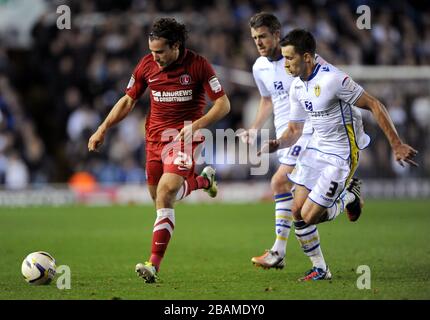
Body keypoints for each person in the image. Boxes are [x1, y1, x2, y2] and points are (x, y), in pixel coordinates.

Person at [260, 29, 418, 280]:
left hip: (341, 154)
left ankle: (349, 197)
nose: (286, 64)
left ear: (308, 57)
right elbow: (294, 130)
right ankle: (320, 269)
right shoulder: (297, 86)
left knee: (311, 216)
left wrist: (396, 144)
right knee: (297, 212)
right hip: (315, 148)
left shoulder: (333, 80)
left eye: (290, 58)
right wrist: (277, 143)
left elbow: (375, 104)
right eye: (284, 58)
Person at [88, 18, 230, 283]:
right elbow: (129, 100)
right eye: (152, 52)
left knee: (166, 192)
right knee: (160, 199)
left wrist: (197, 125)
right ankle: (202, 181)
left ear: (176, 46)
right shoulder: (146, 65)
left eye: (160, 52)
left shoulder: (198, 66)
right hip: (154, 140)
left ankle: (153, 264)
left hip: (185, 137)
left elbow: (223, 104)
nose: (155, 57)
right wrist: (102, 128)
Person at [240, 12, 331, 279]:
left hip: (308, 132)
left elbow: (323, 87)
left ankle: (279, 252)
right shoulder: (259, 67)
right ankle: (346, 198)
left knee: (279, 183)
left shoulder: (298, 60)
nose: (258, 42)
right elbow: (267, 100)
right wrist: (254, 128)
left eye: (263, 36)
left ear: (277, 35)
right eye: (255, 38)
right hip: (285, 136)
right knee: (302, 207)